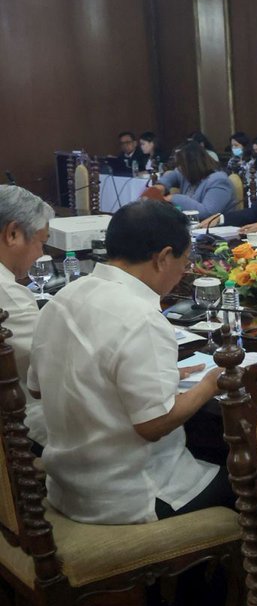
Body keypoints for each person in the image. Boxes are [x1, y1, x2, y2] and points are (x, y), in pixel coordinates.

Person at [28, 200, 233, 524]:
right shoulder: (141, 318)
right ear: (163, 257)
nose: (184, 271)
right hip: (134, 496)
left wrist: (129, 378)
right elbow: (153, 425)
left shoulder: (62, 299)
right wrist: (211, 383)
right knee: (252, 482)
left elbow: (39, 388)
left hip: (67, 487)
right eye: (185, 260)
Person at [0, 186, 53, 447]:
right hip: (22, 426)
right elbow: (55, 367)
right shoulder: (9, 297)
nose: (41, 254)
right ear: (13, 234)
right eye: (41, 242)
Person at [152, 141, 238, 219]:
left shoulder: (219, 181)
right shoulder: (188, 174)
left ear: (192, 165)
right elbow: (173, 174)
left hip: (215, 230)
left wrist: (174, 198)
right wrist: (162, 185)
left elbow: (207, 212)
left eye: (181, 165)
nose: (179, 168)